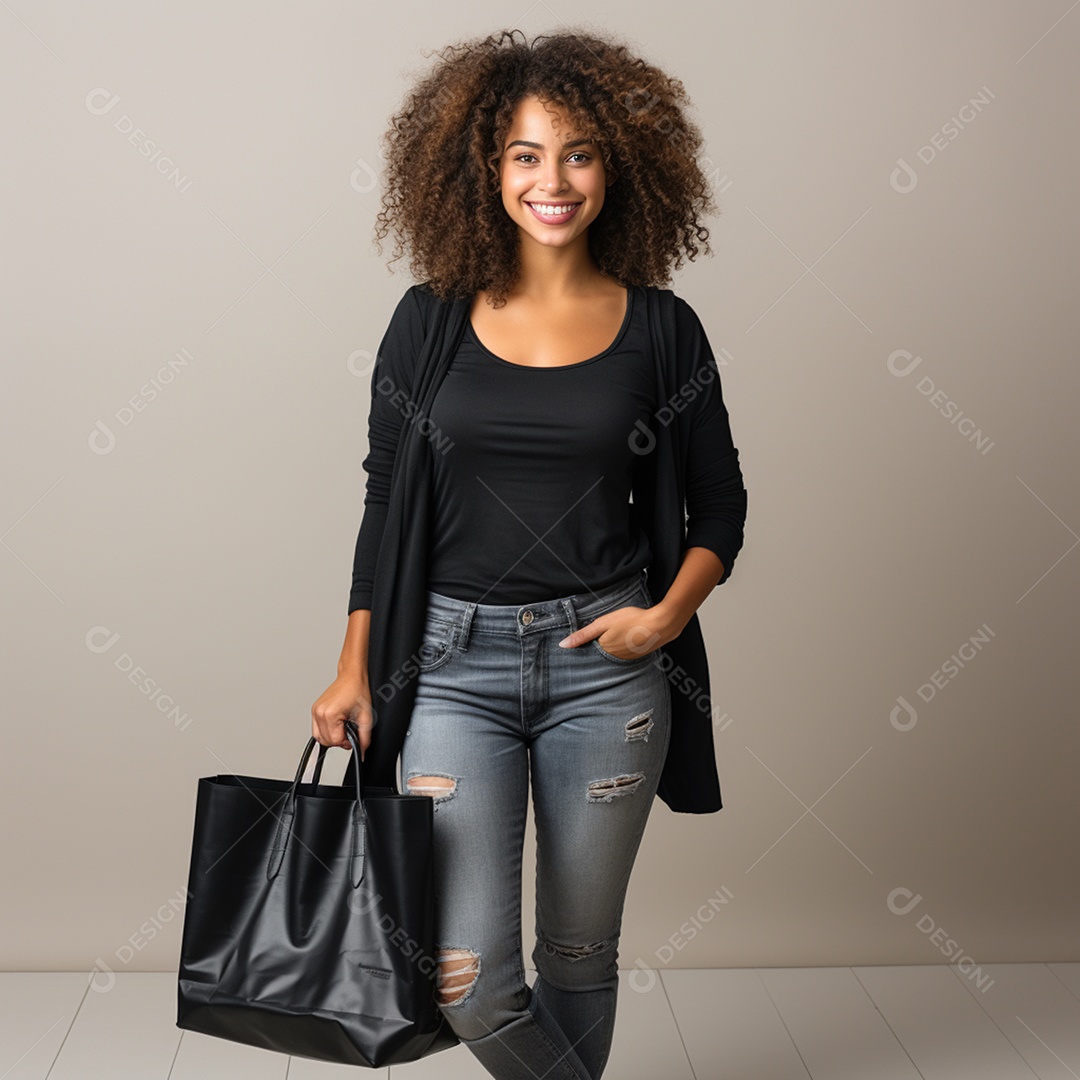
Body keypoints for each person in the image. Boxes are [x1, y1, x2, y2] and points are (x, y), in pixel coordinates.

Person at [312, 27, 747, 1080]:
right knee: (470, 980)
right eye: (523, 154)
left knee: (579, 953)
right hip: (450, 665)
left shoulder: (663, 331)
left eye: (579, 152)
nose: (553, 180)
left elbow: (720, 506)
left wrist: (667, 616)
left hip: (609, 670)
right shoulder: (426, 326)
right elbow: (384, 505)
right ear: (482, 169)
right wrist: (352, 663)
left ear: (620, 167)